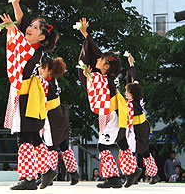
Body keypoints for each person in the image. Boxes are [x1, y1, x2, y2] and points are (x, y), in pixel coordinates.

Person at [0, 0, 59, 190]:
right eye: (31, 26)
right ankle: (47, 169)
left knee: (24, 137)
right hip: (28, 94)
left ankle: (28, 178)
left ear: (42, 36)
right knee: (33, 136)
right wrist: (16, 3)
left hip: (26, 95)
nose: (30, 28)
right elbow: (21, 23)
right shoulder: (31, 45)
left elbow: (17, 34)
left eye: (35, 28)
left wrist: (11, 29)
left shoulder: (31, 48)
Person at [77, 18, 141, 188]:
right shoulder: (109, 77)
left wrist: (87, 74)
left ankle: (113, 177)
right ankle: (132, 170)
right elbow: (98, 58)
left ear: (106, 67)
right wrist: (86, 36)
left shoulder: (103, 79)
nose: (97, 60)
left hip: (113, 115)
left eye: (101, 60)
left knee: (103, 146)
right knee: (121, 143)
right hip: (118, 113)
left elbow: (90, 79)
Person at [39, 56, 80, 185]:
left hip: (51, 116)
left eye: (42, 68)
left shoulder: (44, 82)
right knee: (64, 147)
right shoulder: (54, 80)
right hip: (61, 113)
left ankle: (48, 174)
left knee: (51, 147)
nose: (39, 70)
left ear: (49, 71)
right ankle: (74, 173)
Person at [125, 54, 160, 184]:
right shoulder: (140, 97)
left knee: (134, 150)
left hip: (136, 127)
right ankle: (152, 174)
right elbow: (135, 80)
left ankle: (134, 174)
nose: (126, 94)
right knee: (143, 151)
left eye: (127, 92)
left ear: (131, 94)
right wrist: (131, 65)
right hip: (142, 126)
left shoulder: (131, 103)